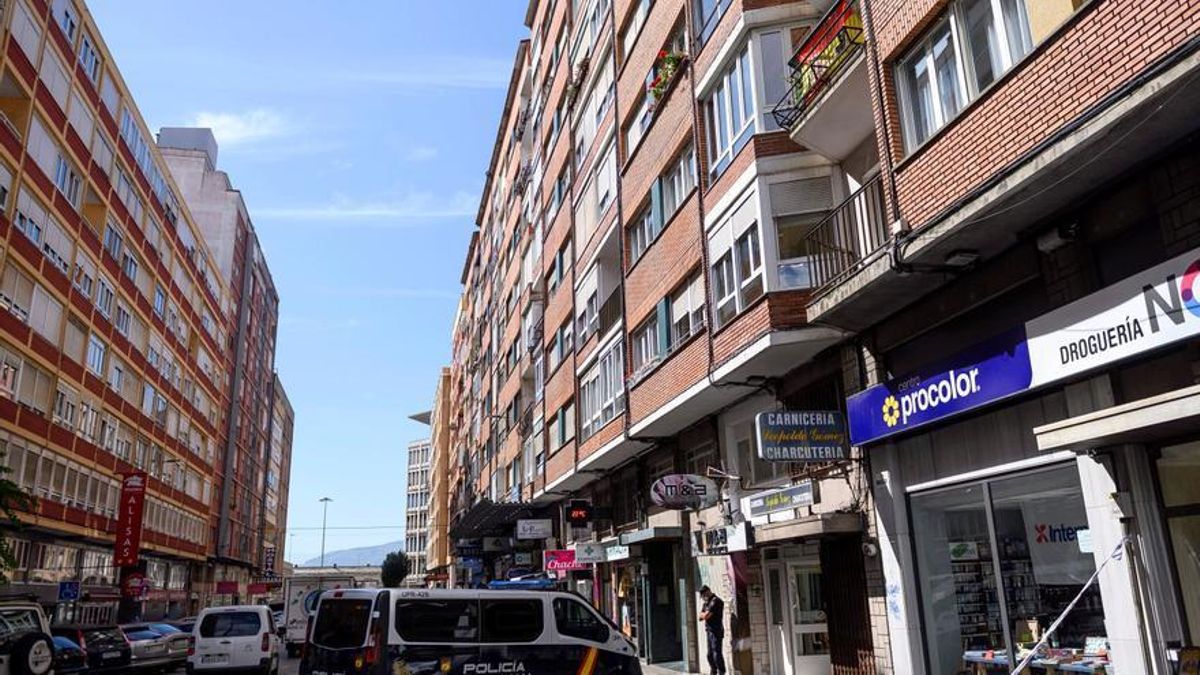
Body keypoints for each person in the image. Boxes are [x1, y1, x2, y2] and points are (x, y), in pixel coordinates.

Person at [698, 586, 725, 675]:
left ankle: (721, 671)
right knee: (709, 655)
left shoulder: (716, 601)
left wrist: (705, 614)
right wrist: (704, 614)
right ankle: (713, 671)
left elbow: (706, 616)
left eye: (703, 595)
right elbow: (700, 617)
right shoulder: (706, 603)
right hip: (709, 631)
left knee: (716, 653)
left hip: (716, 630)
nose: (703, 598)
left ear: (707, 592)